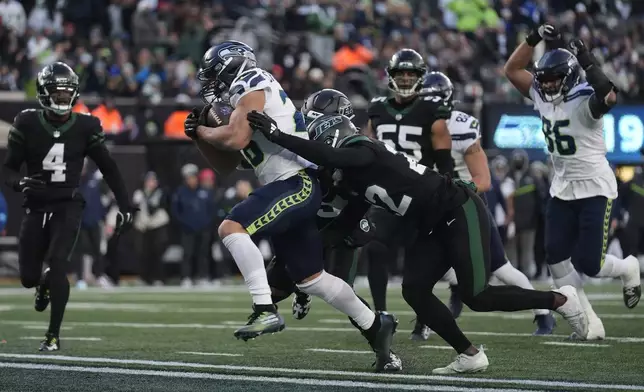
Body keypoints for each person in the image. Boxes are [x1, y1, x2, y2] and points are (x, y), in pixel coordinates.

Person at [248, 110, 588, 374]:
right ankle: (469, 355)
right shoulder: (353, 179)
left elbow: (334, 158)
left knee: (477, 295)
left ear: (333, 137)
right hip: (433, 223)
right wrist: (301, 262)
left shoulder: (363, 149)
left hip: (458, 207)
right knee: (414, 289)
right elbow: (344, 228)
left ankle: (559, 300)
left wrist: (278, 135)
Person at [183, 41, 397, 372]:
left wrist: (204, 130)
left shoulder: (252, 79)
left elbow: (236, 139)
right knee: (313, 279)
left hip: (296, 182)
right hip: (289, 184)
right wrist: (200, 137)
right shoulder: (246, 95)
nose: (212, 84)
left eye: (214, 75)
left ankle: (265, 309)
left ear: (232, 66)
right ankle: (376, 327)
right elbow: (228, 164)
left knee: (232, 227)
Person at [504, 24, 641, 340]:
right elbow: (512, 69)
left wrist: (588, 59)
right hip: (562, 188)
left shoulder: (583, 99)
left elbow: (608, 95)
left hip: (594, 187)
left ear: (569, 79)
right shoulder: (541, 94)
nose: (548, 85)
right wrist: (534, 37)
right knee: (555, 258)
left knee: (589, 264)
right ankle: (590, 323)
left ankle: (628, 267)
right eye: (544, 80)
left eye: (554, 79)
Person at [263, 89, 401, 371]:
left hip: (343, 226)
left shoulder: (358, 151)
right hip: (310, 223)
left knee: (345, 294)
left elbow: (366, 196)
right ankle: (302, 289)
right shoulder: (302, 148)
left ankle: (385, 353)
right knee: (273, 291)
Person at [1, 62, 134, 351]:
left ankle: (52, 335)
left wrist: (126, 205)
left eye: (66, 94)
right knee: (28, 278)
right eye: (57, 93)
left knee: (59, 264)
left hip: (67, 203)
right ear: (43, 93)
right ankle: (42, 281)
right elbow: (8, 169)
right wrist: (20, 182)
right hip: (36, 205)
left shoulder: (86, 125)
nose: (62, 99)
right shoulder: (26, 122)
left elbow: (109, 168)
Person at [419, 72, 556, 336]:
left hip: (467, 202)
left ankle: (543, 313)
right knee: (425, 264)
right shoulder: (415, 125)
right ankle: (433, 312)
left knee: (501, 269)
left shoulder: (461, 125)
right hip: (435, 204)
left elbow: (483, 178)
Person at [360, 49, 454, 340]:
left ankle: (423, 318)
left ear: (420, 77)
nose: (404, 78)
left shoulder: (431, 108)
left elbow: (444, 156)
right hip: (387, 194)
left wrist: (446, 188)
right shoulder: (377, 108)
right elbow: (367, 146)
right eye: (400, 73)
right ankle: (381, 315)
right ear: (390, 76)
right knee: (374, 247)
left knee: (418, 263)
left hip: (420, 193)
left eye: (410, 74)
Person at [172, 164, 216, 288]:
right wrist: (184, 223)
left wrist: (206, 223)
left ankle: (203, 277)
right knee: (187, 254)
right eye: (189, 177)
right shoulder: (180, 193)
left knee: (204, 254)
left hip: (204, 229)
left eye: (193, 177)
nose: (191, 180)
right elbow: (176, 211)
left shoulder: (205, 192)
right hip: (187, 229)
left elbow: (211, 210)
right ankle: (186, 277)